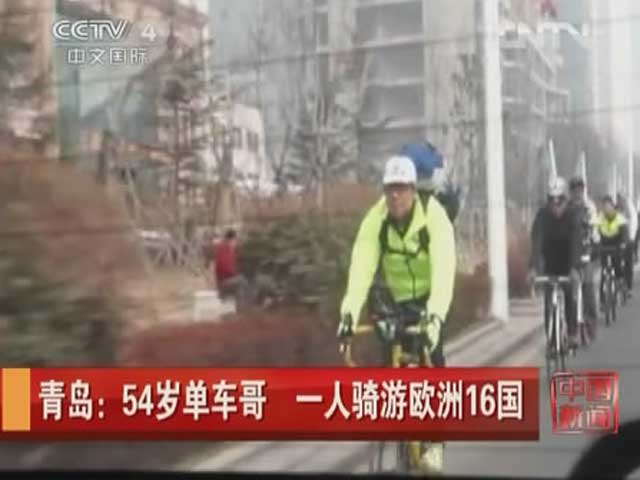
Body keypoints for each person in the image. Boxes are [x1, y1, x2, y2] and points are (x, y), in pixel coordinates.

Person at [338, 149, 456, 474]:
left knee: (433, 361)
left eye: (402, 188)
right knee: (389, 362)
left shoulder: (434, 216)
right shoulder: (375, 219)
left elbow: (445, 270)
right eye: (390, 188)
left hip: (431, 298)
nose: (395, 196)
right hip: (398, 300)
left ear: (413, 190)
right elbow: (361, 269)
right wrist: (348, 315)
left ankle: (435, 443)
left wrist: (435, 318)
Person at [529, 177, 582, 351]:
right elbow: (536, 242)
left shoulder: (572, 216)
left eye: (560, 201)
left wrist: (574, 268)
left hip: (568, 261)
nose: (556, 206)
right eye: (552, 201)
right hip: (550, 261)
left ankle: (572, 332)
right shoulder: (542, 216)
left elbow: (576, 243)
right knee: (549, 301)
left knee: (569, 294)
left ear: (566, 200)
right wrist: (533, 268)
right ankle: (551, 339)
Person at [568, 177, 600, 342]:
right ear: (570, 191)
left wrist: (595, 248)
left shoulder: (589, 208)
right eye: (574, 190)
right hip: (570, 257)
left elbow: (595, 232)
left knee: (589, 291)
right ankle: (572, 329)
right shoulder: (566, 209)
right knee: (571, 294)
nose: (577, 193)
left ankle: (591, 324)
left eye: (580, 189)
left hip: (586, 255)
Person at [598, 195, 629, 303]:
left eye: (608, 206)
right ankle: (602, 298)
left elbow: (625, 232)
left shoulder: (619, 218)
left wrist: (623, 243)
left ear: (612, 206)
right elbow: (595, 231)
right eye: (604, 206)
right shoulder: (600, 218)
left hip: (617, 245)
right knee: (602, 271)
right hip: (604, 246)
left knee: (618, 264)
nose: (606, 208)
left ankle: (620, 282)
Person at [212, 229, 249, 306]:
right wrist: (236, 274)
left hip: (229, 280)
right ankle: (242, 308)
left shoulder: (230, 250)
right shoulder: (223, 249)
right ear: (231, 239)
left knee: (243, 281)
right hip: (223, 282)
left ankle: (243, 306)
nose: (236, 243)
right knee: (241, 280)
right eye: (235, 240)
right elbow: (225, 267)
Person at [616, 193, 636, 296]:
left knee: (628, 263)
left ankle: (628, 287)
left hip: (629, 239)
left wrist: (630, 240)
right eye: (618, 200)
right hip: (618, 239)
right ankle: (617, 281)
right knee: (615, 260)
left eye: (621, 200)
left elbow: (631, 224)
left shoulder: (629, 210)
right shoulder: (616, 209)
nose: (619, 202)